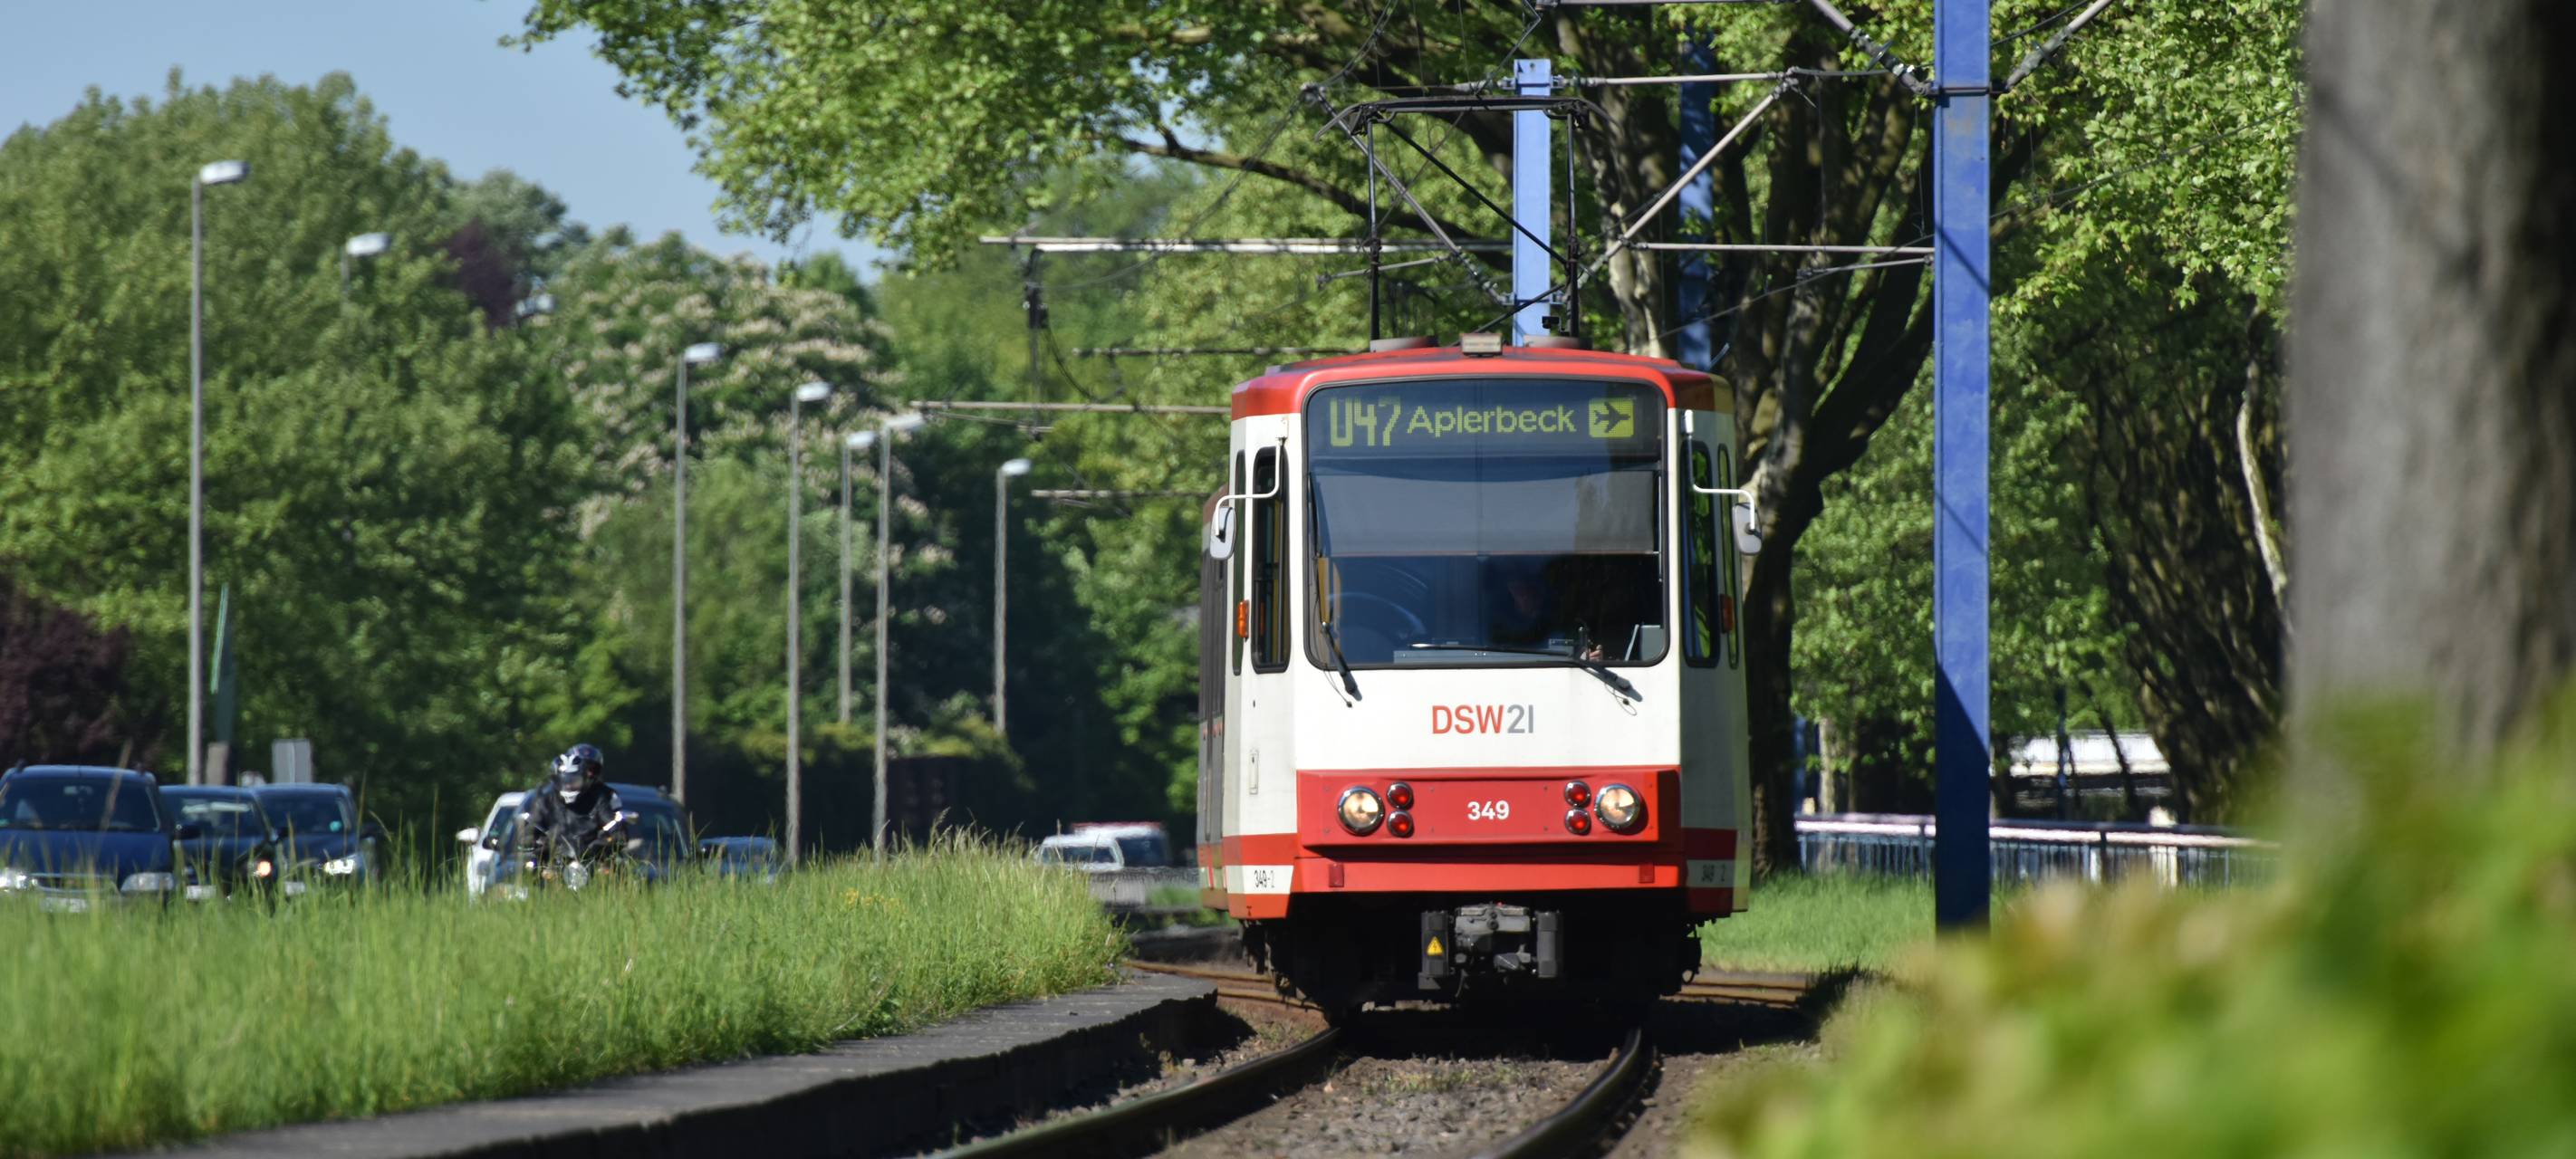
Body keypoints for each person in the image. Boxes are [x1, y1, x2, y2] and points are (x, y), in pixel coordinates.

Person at [518, 743, 623, 867]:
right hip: (555, 864)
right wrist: (541, 843)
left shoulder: (601, 798)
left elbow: (615, 827)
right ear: (556, 779)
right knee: (530, 867)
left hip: (591, 862)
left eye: (575, 780)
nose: (569, 786)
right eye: (565, 780)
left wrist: (602, 843)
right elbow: (530, 830)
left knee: (616, 865)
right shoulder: (546, 800)